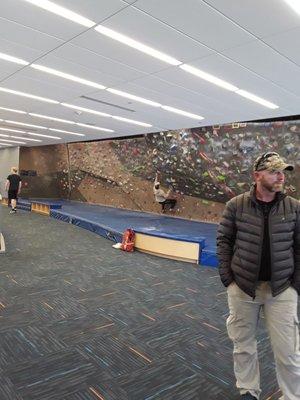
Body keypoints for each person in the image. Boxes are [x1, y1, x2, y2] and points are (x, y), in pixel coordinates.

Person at [217, 152, 300, 400]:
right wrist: (228, 279)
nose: (280, 177)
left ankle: (292, 396)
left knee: (289, 352)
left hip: (282, 290)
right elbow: (224, 241)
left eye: (282, 172)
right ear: (257, 176)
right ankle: (248, 390)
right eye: (274, 171)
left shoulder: (294, 208)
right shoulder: (236, 205)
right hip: (242, 288)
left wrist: (295, 285)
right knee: (243, 345)